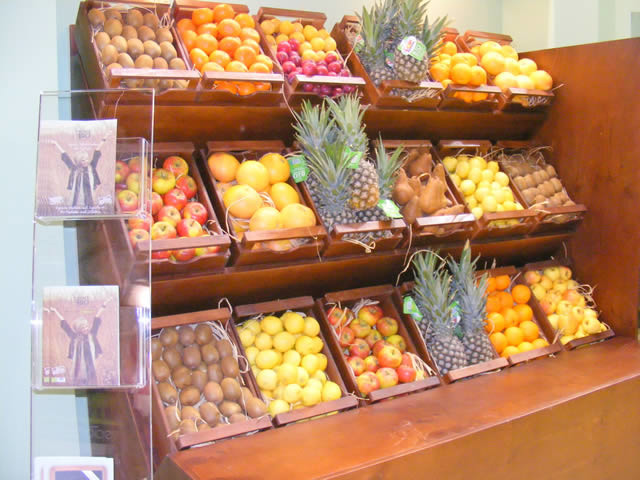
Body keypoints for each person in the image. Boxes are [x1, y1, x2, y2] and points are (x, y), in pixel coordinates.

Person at [45, 297, 113, 386]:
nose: (86, 328)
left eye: (86, 326)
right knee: (78, 380)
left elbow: (96, 318)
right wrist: (55, 311)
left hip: (91, 364)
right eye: (83, 327)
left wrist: (104, 304)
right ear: (79, 329)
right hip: (78, 365)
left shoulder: (92, 334)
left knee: (92, 381)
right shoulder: (74, 337)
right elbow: (65, 324)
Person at [47, 136, 108, 208]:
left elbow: (96, 152)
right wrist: (56, 144)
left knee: (90, 204)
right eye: (83, 160)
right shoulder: (74, 168)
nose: (86, 161)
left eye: (87, 159)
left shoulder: (91, 167)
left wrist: (105, 137)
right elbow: (66, 157)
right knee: (77, 203)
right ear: (78, 161)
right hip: (77, 193)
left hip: (89, 193)